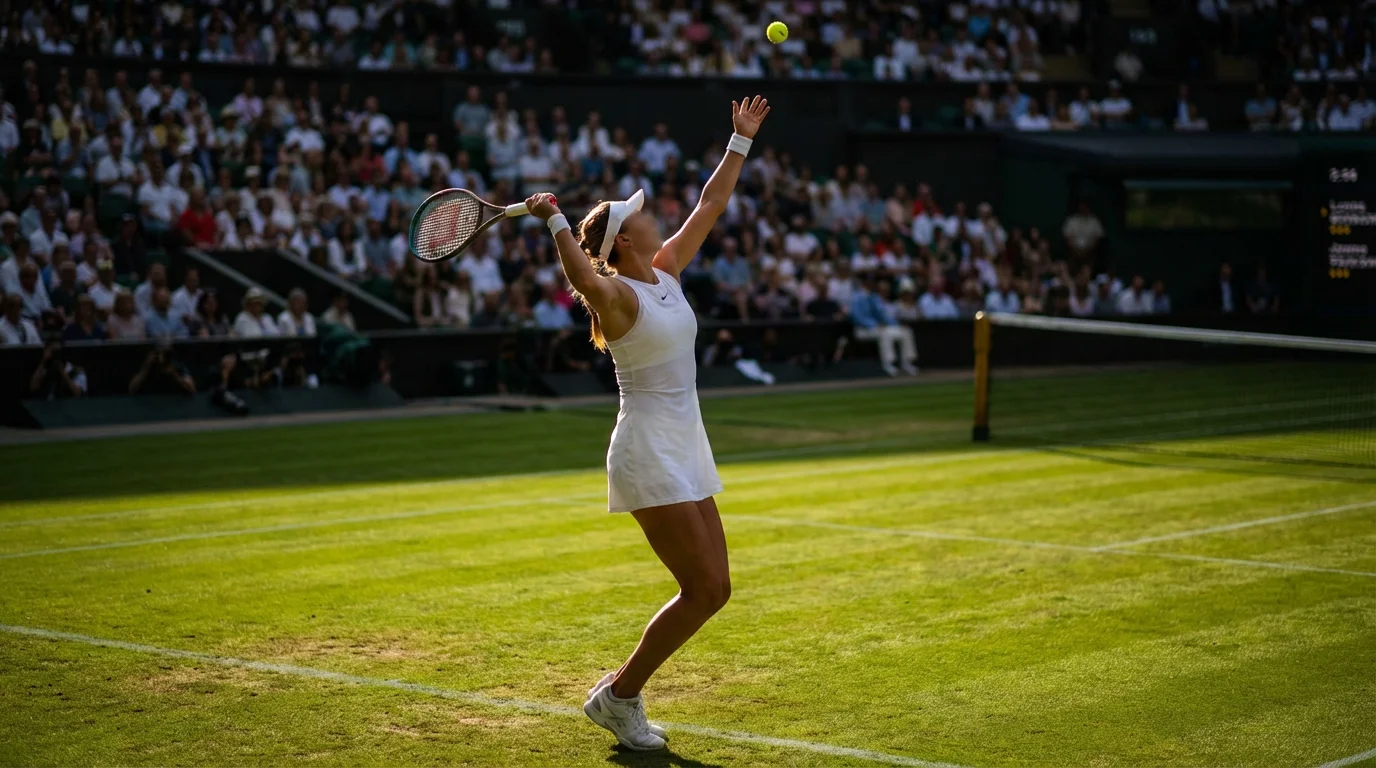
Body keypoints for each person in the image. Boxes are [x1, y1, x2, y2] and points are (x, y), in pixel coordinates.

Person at [527, 95, 770, 752]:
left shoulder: (663, 274)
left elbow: (710, 206)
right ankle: (620, 697)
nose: (654, 216)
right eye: (639, 217)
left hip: (683, 443)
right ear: (623, 242)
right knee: (699, 589)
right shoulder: (616, 295)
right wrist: (553, 222)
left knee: (716, 589)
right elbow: (582, 275)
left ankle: (618, 694)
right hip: (645, 451)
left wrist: (739, 141)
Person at [850, 276, 918, 376]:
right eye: (871, 282)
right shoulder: (856, 297)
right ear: (865, 284)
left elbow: (883, 315)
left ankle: (906, 364)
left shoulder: (874, 297)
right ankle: (888, 364)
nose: (873, 285)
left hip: (879, 328)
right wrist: (873, 324)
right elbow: (856, 317)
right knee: (885, 333)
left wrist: (896, 324)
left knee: (906, 331)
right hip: (862, 330)